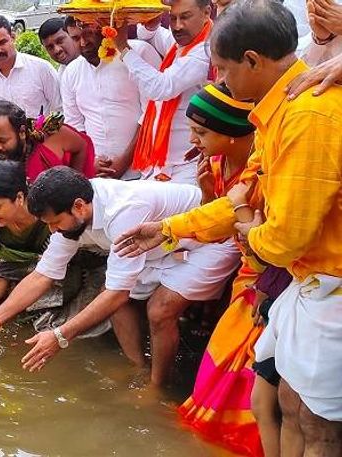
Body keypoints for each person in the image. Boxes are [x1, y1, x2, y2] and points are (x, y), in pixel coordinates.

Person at [117, 1, 342, 453]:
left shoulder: (309, 117)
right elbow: (239, 200)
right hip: (307, 285)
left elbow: (281, 241)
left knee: (318, 425)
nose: (221, 81)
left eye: (223, 69)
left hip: (328, 287)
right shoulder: (279, 113)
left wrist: (247, 232)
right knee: (289, 401)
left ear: (253, 61)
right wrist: (168, 229)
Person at [0, 167, 239, 387]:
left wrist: (60, 336)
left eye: (55, 223)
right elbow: (43, 275)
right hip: (158, 250)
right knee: (114, 293)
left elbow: (118, 294)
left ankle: (157, 386)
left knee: (159, 310)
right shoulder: (72, 215)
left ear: (79, 207)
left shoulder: (123, 213)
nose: (53, 231)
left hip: (207, 241)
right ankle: (137, 366)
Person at [114, 82, 280, 456]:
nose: (192, 139)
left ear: (236, 136)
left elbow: (263, 236)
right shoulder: (217, 164)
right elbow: (217, 219)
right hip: (241, 264)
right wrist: (207, 194)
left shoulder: (263, 173)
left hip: (270, 275)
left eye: (202, 132)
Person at [0, 100, 95, 309]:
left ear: (22, 132)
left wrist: (77, 180)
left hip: (54, 230)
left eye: (3, 140)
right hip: (14, 237)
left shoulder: (53, 137)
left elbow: (82, 146)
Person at [0, 161, 109, 337]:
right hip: (34, 290)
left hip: (81, 282)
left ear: (19, 198)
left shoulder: (54, 220)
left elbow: (49, 271)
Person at [116, 0, 214, 183]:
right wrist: (151, 27)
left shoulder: (205, 51)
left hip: (187, 166)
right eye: (172, 18)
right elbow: (152, 36)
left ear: (207, 13)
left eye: (185, 17)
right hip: (162, 165)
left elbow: (161, 87)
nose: (177, 26)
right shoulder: (183, 43)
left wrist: (123, 49)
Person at [61, 21, 162, 179]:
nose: (83, 43)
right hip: (98, 176)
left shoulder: (138, 53)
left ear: (104, 29)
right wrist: (90, 160)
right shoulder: (71, 72)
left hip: (144, 172)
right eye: (75, 38)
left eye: (88, 34)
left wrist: (123, 162)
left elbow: (153, 112)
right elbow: (74, 124)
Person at [0, 15, 62, 137]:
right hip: (3, 152)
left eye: (2, 42)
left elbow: (61, 110)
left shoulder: (42, 69)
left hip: (43, 145)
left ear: (13, 37)